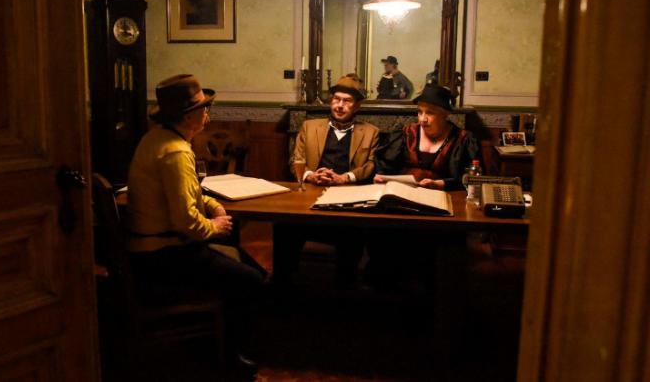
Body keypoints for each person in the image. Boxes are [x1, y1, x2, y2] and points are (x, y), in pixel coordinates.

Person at [126, 74, 263, 376]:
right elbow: (186, 221)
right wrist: (215, 226)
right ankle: (231, 357)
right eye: (204, 108)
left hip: (149, 249)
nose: (208, 114)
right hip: (162, 255)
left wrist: (212, 206)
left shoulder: (157, 138)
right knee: (251, 279)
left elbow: (188, 194)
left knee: (242, 262)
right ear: (188, 116)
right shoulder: (175, 151)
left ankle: (222, 338)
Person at [367, 84, 481, 287]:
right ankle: (387, 284)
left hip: (440, 201)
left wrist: (440, 183)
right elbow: (385, 164)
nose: (422, 119)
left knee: (430, 239)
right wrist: (383, 177)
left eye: (430, 113)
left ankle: (427, 285)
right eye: (419, 112)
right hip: (402, 198)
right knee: (384, 231)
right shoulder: (406, 133)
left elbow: (471, 177)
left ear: (445, 114)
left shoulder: (463, 139)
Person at [273, 74, 380, 287]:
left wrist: (345, 178)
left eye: (347, 101)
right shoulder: (309, 126)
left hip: (346, 203)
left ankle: (344, 288)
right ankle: (282, 285)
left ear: (357, 106)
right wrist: (310, 175)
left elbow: (370, 166)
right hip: (309, 200)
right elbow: (295, 160)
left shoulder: (370, 132)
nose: (339, 105)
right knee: (284, 225)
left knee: (354, 234)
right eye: (336, 99)